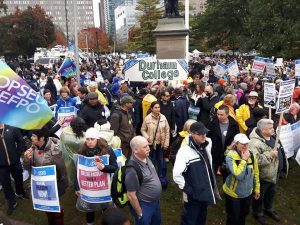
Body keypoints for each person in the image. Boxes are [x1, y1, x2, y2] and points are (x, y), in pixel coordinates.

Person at [173, 122, 220, 225]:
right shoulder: (184, 151)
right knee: (189, 221)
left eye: (205, 133)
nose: (204, 136)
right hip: (193, 196)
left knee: (201, 219)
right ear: (192, 134)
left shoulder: (206, 144)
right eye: (200, 134)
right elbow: (177, 175)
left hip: (205, 193)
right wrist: (189, 191)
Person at [23, 127, 68, 225]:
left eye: (34, 136)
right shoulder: (32, 148)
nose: (31, 137)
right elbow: (26, 167)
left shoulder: (54, 151)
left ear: (42, 138)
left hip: (53, 185)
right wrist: (26, 159)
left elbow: (62, 170)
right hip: (40, 185)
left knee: (55, 208)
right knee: (46, 207)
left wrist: (62, 186)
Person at [74, 128, 118, 225]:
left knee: (105, 206)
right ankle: (90, 223)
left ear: (97, 139)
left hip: (104, 186)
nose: (89, 142)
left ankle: (106, 218)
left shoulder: (107, 150)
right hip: (88, 187)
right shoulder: (82, 151)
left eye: (92, 139)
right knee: (89, 207)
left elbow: (115, 168)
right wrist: (77, 187)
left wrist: (103, 167)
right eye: (87, 139)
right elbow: (78, 171)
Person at [249, 119, 288, 225]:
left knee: (271, 194)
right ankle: (258, 213)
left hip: (274, 174)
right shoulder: (254, 143)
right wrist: (270, 154)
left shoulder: (274, 136)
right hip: (263, 176)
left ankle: (268, 209)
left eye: (272, 127)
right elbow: (255, 161)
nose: (273, 129)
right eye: (270, 128)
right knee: (259, 196)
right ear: (262, 130)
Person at [223, 133, 260, 225]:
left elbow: (255, 172)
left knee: (243, 216)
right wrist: (244, 160)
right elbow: (238, 175)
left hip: (247, 193)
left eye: (247, 143)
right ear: (236, 144)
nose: (245, 146)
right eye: (242, 144)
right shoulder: (230, 156)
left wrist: (257, 188)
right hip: (233, 194)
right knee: (233, 218)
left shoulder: (251, 154)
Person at [125, 136, 162, 225]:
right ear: (136, 150)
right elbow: (131, 195)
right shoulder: (132, 170)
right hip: (145, 205)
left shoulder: (146, 157)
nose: (148, 149)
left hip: (155, 203)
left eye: (148, 145)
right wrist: (140, 213)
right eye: (145, 147)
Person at [0, 123, 27, 215]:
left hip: (15, 161)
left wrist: (18, 153)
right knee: (5, 184)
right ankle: (12, 201)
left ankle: (20, 192)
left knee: (19, 178)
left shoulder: (11, 128)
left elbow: (20, 140)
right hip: (1, 166)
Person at [207, 105, 239, 175]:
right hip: (215, 152)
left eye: (221, 115)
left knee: (227, 173)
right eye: (218, 114)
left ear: (227, 114)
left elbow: (237, 137)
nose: (219, 116)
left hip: (228, 152)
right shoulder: (212, 123)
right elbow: (208, 136)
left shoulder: (234, 124)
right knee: (213, 172)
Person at [141, 101, 170, 177]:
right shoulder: (147, 118)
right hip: (151, 144)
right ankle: (151, 176)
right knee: (151, 160)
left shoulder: (163, 117)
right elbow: (143, 129)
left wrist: (166, 143)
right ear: (151, 109)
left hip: (161, 143)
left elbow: (167, 131)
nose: (157, 109)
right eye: (155, 107)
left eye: (158, 107)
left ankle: (160, 176)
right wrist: (147, 138)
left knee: (160, 160)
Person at [60, 117, 87, 187]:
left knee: (70, 173)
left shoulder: (64, 132)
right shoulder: (83, 138)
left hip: (67, 158)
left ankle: (72, 186)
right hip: (80, 159)